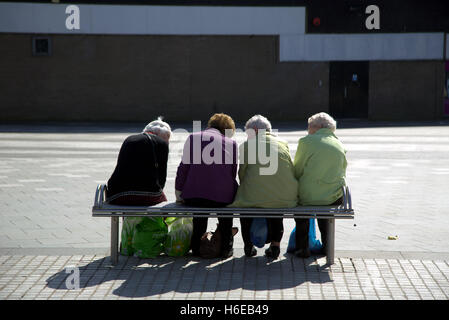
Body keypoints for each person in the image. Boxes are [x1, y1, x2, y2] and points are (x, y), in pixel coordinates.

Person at [228, 115, 298, 259]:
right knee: (276, 206)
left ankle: (248, 245)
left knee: (244, 208)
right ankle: (275, 245)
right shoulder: (282, 143)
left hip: (254, 197)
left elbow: (242, 173)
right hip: (285, 196)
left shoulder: (247, 146)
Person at [175, 113, 238, 258]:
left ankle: (196, 247)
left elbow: (183, 168)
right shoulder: (232, 144)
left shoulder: (193, 138)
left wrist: (179, 193)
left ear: (210, 125)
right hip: (222, 197)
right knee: (225, 213)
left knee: (200, 211)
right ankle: (226, 247)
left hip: (194, 195)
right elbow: (232, 173)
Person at [293, 112, 347, 258]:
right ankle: (327, 247)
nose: (307, 129)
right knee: (325, 211)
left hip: (309, 196)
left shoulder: (306, 142)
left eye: (309, 126)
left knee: (301, 208)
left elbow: (297, 169)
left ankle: (302, 248)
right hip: (335, 196)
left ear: (317, 127)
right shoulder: (339, 144)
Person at [106, 117, 171, 206]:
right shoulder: (161, 144)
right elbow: (162, 177)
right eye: (167, 138)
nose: (167, 142)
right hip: (148, 196)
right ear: (161, 135)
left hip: (117, 195)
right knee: (163, 200)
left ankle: (127, 220)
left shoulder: (129, 139)